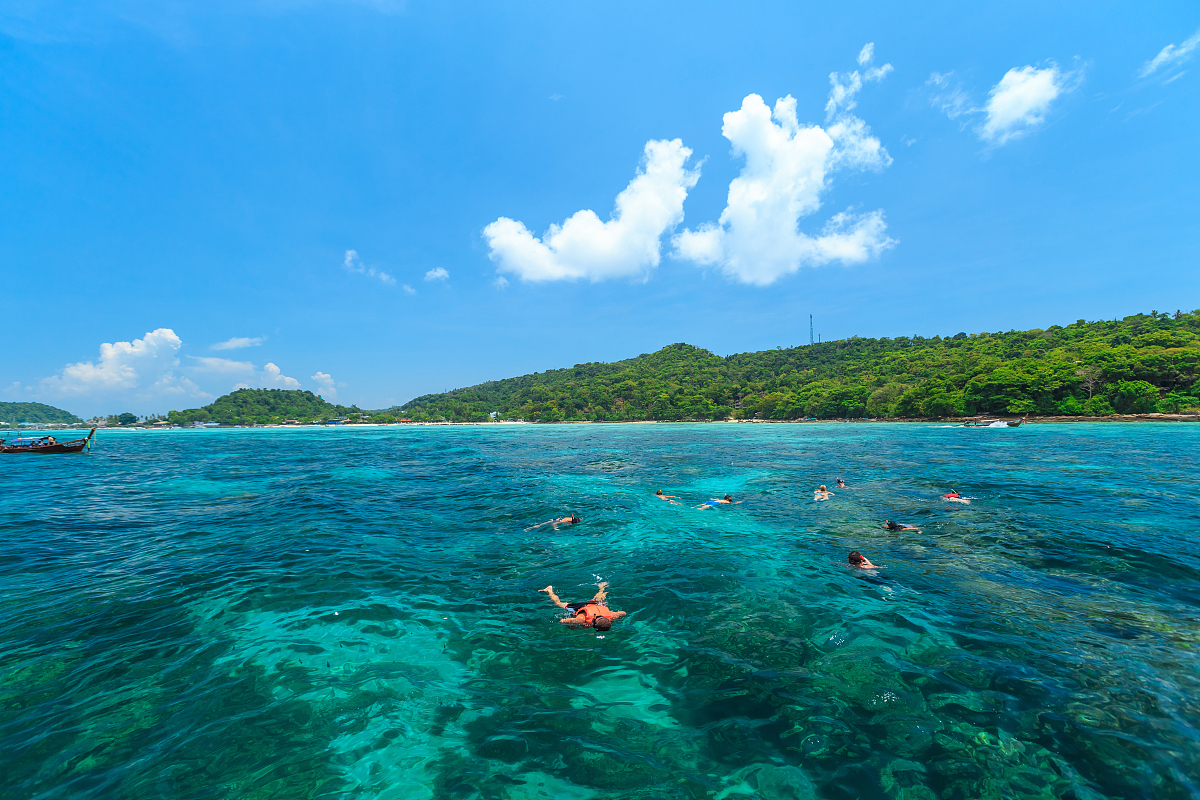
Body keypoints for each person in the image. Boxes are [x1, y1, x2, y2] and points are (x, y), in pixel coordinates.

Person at [540, 582, 627, 631]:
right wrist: (572, 626)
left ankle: (602, 588)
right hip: (581, 607)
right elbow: (562, 621)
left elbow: (623, 613)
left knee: (599, 599)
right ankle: (549, 590)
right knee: (559, 604)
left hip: (595, 605)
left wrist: (615, 620)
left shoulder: (611, 616)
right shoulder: (581, 619)